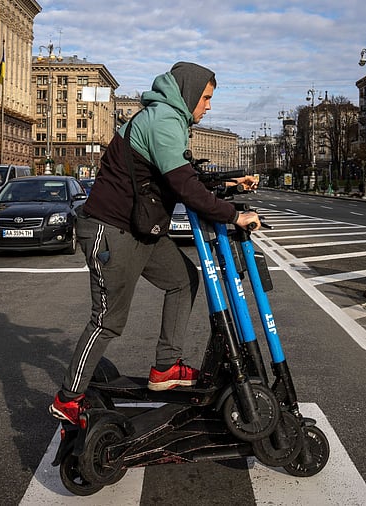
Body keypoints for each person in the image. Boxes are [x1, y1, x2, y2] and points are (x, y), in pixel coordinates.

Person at [50, 62, 260, 423]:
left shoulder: (170, 120)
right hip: (111, 230)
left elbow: (179, 175)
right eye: (206, 98)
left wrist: (229, 186)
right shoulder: (164, 119)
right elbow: (183, 185)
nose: (208, 106)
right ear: (189, 92)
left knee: (183, 280)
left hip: (140, 229)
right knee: (107, 320)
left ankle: (166, 367)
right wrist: (232, 214)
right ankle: (68, 399)